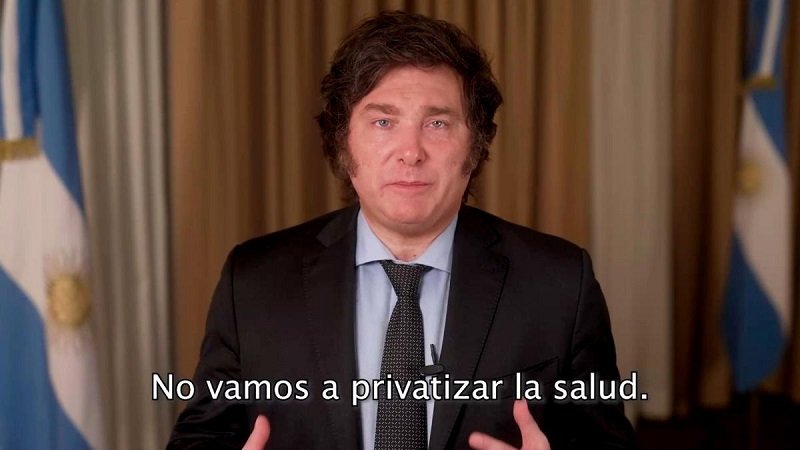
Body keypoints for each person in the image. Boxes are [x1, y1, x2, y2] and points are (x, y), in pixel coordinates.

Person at [168, 10, 636, 450]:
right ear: (342, 141)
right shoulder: (253, 281)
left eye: (437, 123)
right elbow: (201, 436)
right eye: (383, 121)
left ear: (476, 145)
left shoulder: (560, 283)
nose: (410, 151)